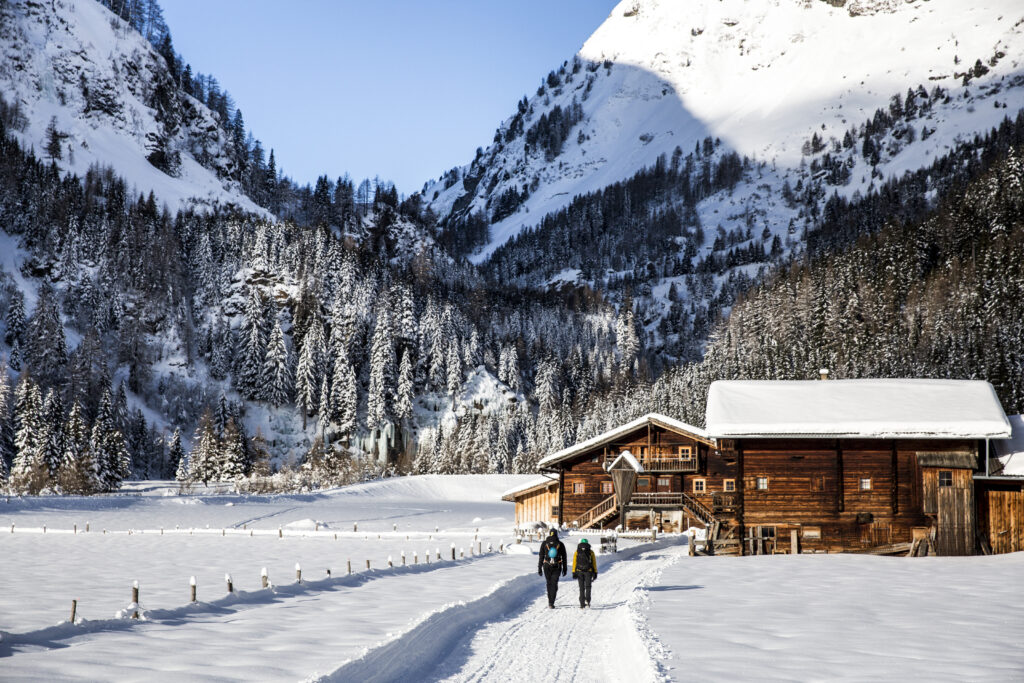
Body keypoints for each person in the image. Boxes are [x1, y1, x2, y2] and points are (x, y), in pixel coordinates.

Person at [538, 528, 567, 608]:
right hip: (557, 566)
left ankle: (549, 601)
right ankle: (552, 602)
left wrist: (539, 568)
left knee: (549, 583)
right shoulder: (560, 544)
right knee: (554, 584)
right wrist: (565, 569)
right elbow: (564, 557)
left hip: (546, 565)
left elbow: (541, 556)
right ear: (556, 534)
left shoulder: (544, 543)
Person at [572, 538, 598, 608]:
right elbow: (594, 563)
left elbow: (574, 562)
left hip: (579, 571)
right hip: (588, 571)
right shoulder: (590, 552)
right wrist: (595, 572)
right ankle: (588, 600)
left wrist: (574, 571)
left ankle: (582, 603)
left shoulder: (577, 552)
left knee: (581, 587)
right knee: (588, 587)